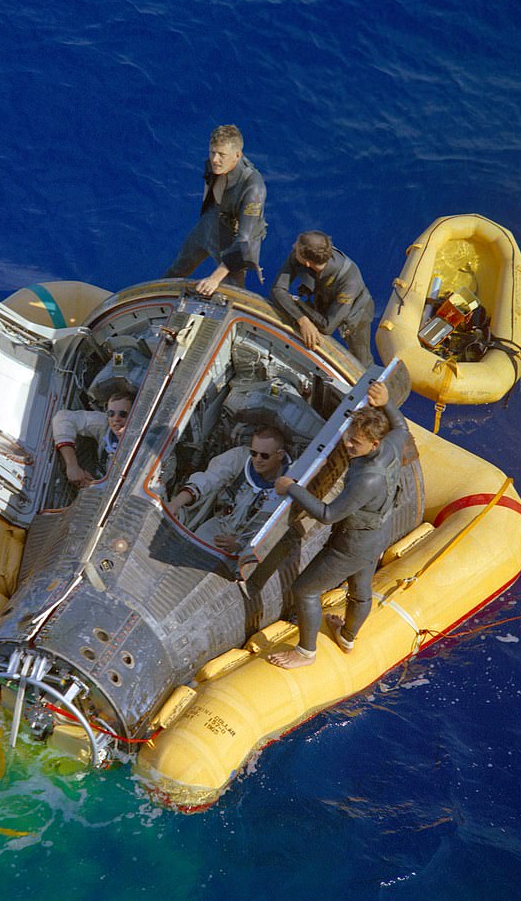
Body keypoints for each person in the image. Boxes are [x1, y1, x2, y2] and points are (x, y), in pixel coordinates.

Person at [267, 381, 408, 669]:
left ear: (374, 444)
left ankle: (306, 653)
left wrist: (291, 487)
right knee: (360, 591)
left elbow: (329, 514)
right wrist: (386, 402)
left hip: (351, 545)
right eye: (348, 437)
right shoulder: (391, 445)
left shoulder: (368, 478)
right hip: (376, 535)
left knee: (305, 590)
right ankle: (347, 637)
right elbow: (401, 428)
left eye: (355, 443)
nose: (347, 444)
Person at [164, 124, 267, 297]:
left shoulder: (254, 188)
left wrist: (215, 277)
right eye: (212, 152)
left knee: (233, 292)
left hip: (234, 241)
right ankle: (159, 296)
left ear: (237, 155)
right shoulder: (214, 165)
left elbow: (244, 240)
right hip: (208, 224)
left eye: (221, 155)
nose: (215, 159)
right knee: (177, 268)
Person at [166, 426, 289, 552]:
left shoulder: (294, 480)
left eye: (264, 456)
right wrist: (176, 504)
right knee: (186, 552)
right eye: (254, 453)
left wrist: (241, 543)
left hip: (253, 544)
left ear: (279, 455)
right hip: (220, 527)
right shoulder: (239, 458)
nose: (257, 460)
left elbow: (283, 527)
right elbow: (208, 480)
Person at [270, 230, 375, 367]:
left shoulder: (349, 281)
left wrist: (297, 303)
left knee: (360, 359)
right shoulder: (299, 255)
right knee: (312, 338)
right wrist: (302, 320)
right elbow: (277, 290)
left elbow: (327, 326)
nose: (293, 245)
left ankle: (368, 383)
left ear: (307, 262)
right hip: (323, 297)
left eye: (296, 247)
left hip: (355, 311)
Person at [52, 383, 136, 488]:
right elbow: (62, 418)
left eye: (123, 414)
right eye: (111, 413)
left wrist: (95, 486)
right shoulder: (104, 424)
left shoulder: (147, 443)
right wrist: (72, 466)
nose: (116, 419)